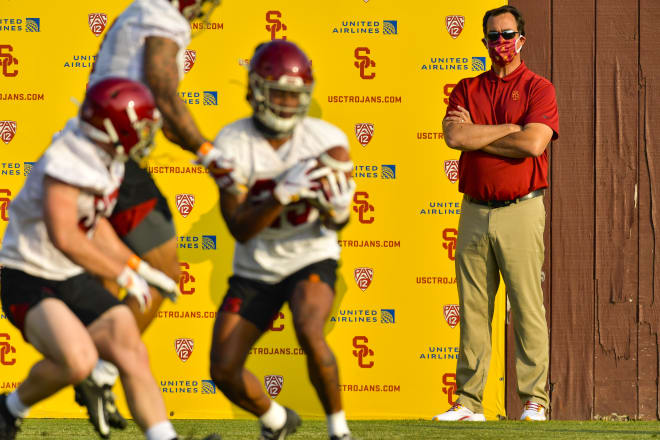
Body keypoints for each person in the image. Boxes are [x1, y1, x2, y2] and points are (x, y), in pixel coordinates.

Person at [0, 78, 182, 440]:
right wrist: (123, 276)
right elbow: (65, 234)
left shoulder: (105, 157)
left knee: (128, 344)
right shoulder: (68, 158)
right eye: (140, 126)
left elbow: (94, 224)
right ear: (114, 126)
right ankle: (9, 409)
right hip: (27, 274)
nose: (146, 134)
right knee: (78, 361)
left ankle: (165, 437)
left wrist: (138, 267)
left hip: (68, 274)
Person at [80, 0, 231, 430]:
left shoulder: (140, 13)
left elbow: (162, 119)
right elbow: (164, 91)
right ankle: (97, 368)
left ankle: (17, 405)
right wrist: (208, 152)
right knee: (163, 271)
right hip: (111, 160)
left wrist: (203, 150)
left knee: (110, 286)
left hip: (101, 156)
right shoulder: (160, 17)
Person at [208, 40, 355, 440]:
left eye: (295, 96)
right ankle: (276, 420)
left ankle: (339, 431)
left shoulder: (326, 141)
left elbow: (336, 221)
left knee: (309, 329)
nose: (288, 105)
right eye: (279, 95)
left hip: (310, 255)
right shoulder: (233, 142)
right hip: (255, 265)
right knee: (222, 368)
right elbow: (239, 227)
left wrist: (338, 212)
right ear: (256, 91)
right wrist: (280, 193)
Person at [431, 5, 559, 422]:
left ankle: (534, 402)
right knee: (472, 308)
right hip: (473, 210)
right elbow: (454, 135)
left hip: (521, 208)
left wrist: (480, 136)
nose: (501, 43)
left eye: (508, 35)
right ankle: (469, 403)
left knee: (526, 306)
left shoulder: (539, 88)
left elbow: (534, 144)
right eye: (493, 36)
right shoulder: (468, 87)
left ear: (521, 39)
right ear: (484, 41)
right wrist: (509, 129)